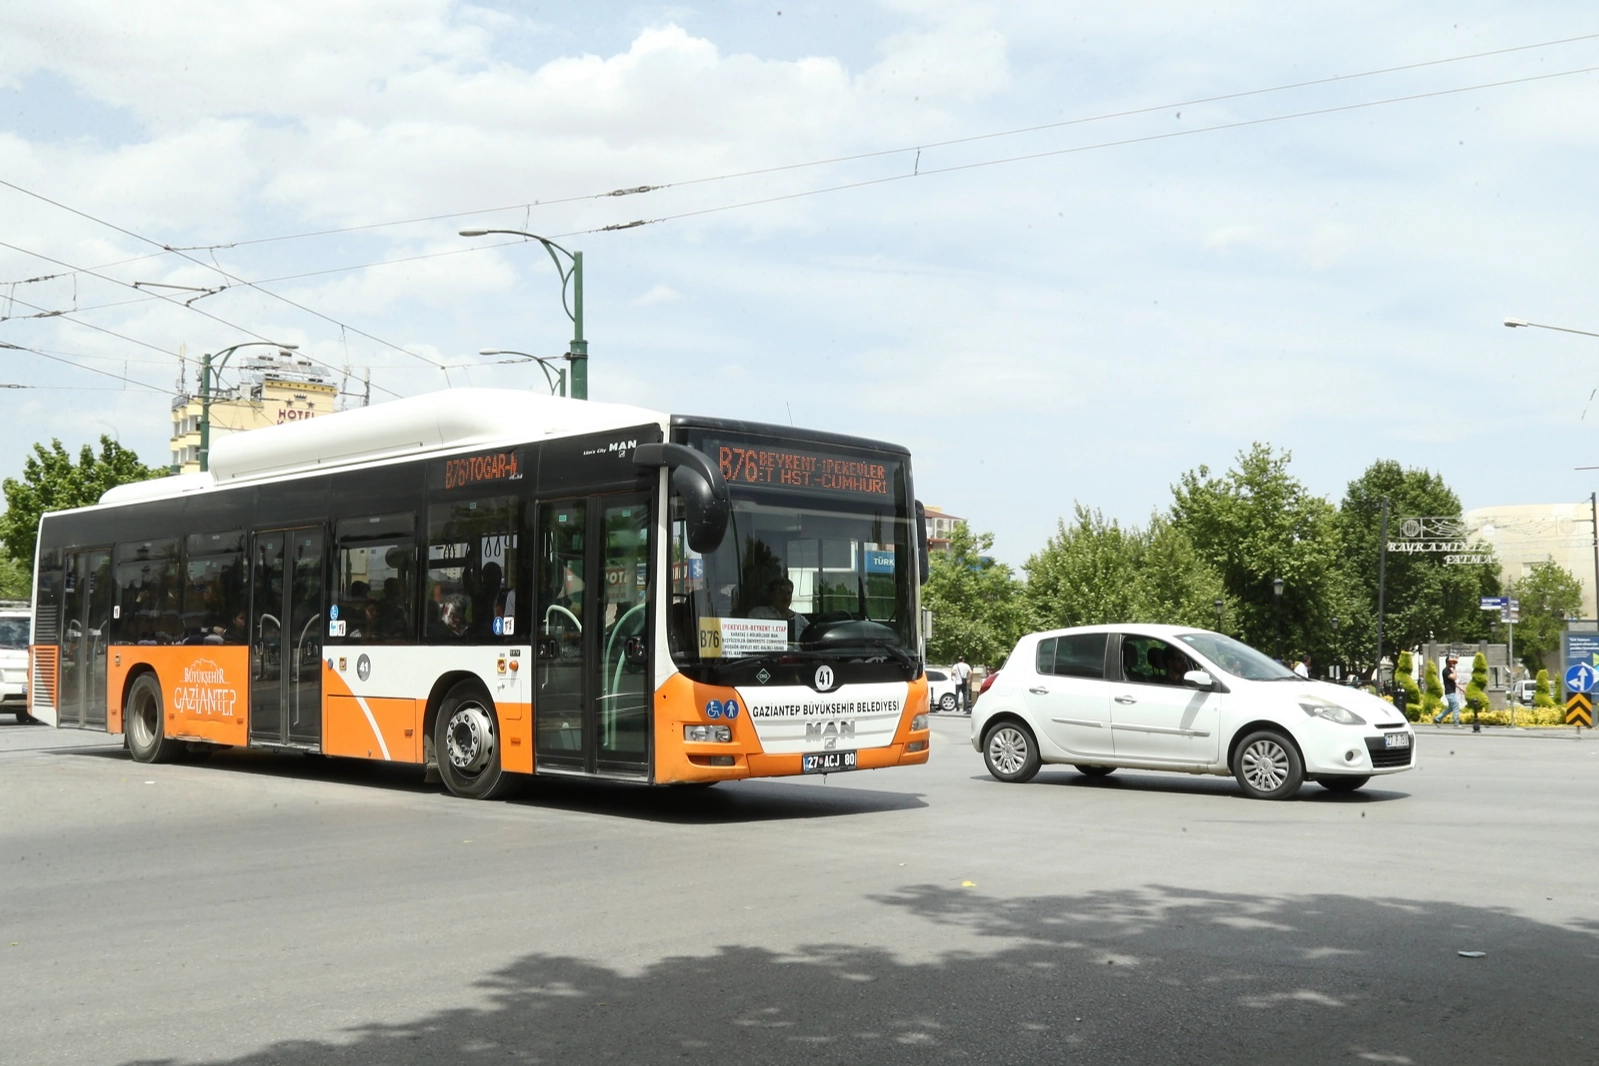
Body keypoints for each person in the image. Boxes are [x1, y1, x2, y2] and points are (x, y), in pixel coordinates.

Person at [1434, 655, 1463, 726]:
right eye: (1451, 663)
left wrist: (1460, 687)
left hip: (1451, 692)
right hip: (1450, 693)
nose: (1452, 664)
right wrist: (1455, 669)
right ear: (1447, 663)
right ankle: (1456, 723)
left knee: (1450, 708)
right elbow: (1454, 678)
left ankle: (1437, 718)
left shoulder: (1449, 670)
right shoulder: (1445, 671)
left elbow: (1452, 682)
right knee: (1456, 706)